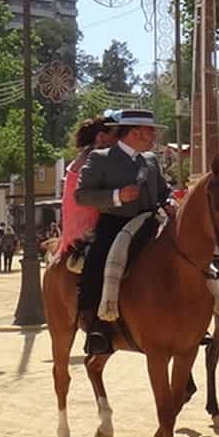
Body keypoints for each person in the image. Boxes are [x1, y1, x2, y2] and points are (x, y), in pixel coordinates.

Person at [76, 107, 174, 355]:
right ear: (135, 133)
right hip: (115, 223)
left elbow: (163, 192)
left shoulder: (151, 161)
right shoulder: (101, 158)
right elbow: (82, 195)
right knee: (98, 262)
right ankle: (97, 326)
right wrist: (117, 196)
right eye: (150, 132)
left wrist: (171, 203)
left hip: (151, 223)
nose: (153, 137)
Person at [60, 114, 119, 256]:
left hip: (74, 235)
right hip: (88, 238)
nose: (119, 141)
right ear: (101, 137)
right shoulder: (96, 161)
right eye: (116, 136)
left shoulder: (82, 159)